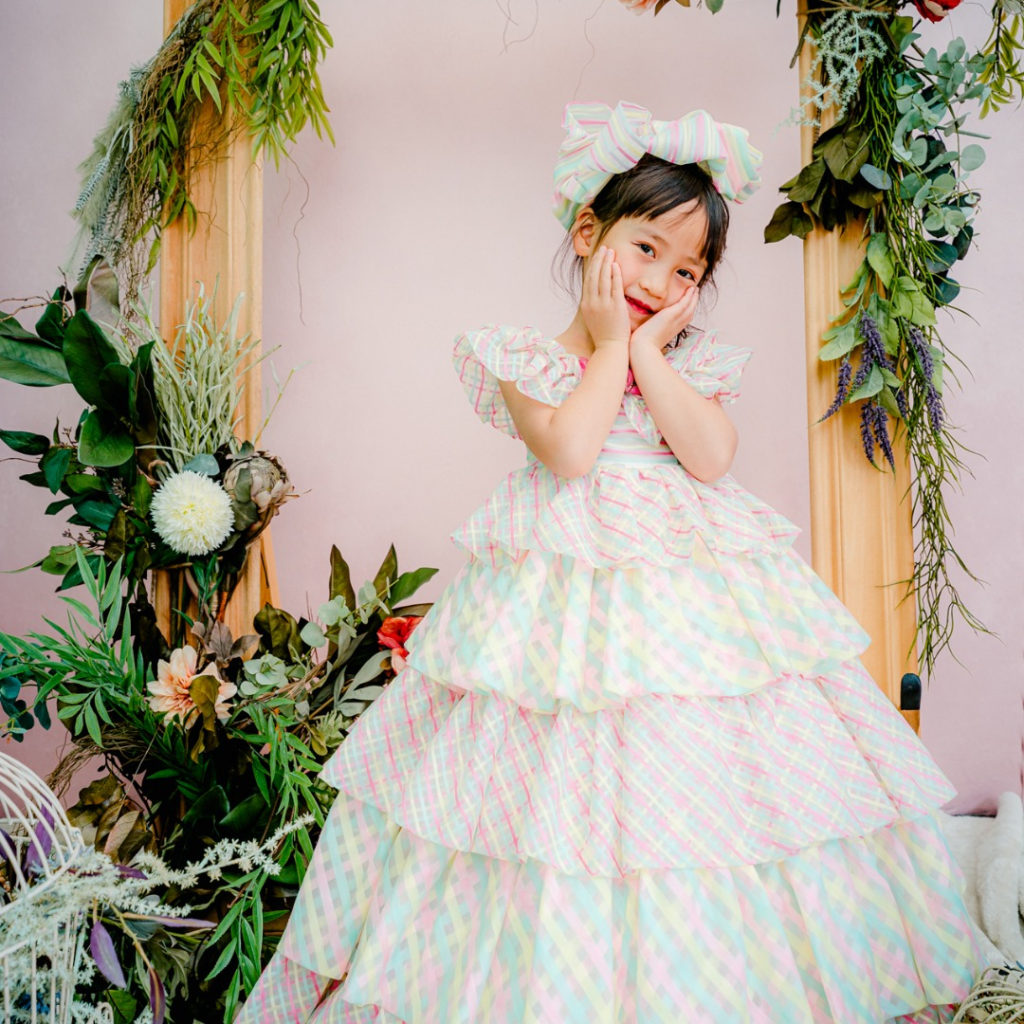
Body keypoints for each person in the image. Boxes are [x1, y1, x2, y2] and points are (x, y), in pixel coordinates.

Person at [239, 101, 990, 1023]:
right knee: (558, 775)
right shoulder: (527, 360)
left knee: (700, 765)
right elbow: (572, 452)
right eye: (646, 250)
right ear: (589, 232)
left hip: (688, 608)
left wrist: (647, 352)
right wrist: (605, 349)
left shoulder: (688, 363)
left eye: (687, 271)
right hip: (562, 606)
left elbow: (710, 458)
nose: (661, 279)